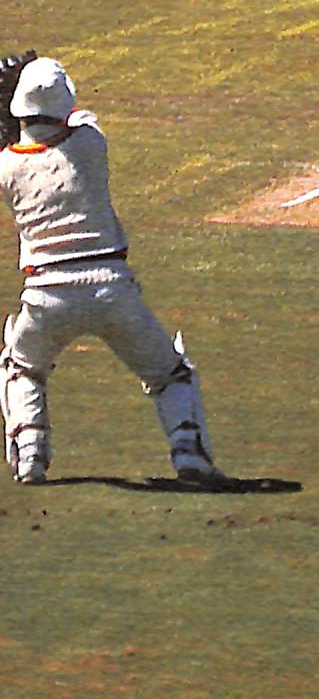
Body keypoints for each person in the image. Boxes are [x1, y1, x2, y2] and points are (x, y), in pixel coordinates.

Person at [0, 56, 223, 487]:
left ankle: (30, 453)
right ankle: (188, 453)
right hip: (112, 289)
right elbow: (68, 118)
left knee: (22, 367)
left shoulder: (6, 166)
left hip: (46, 295)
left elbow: (26, 142)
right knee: (169, 372)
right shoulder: (90, 142)